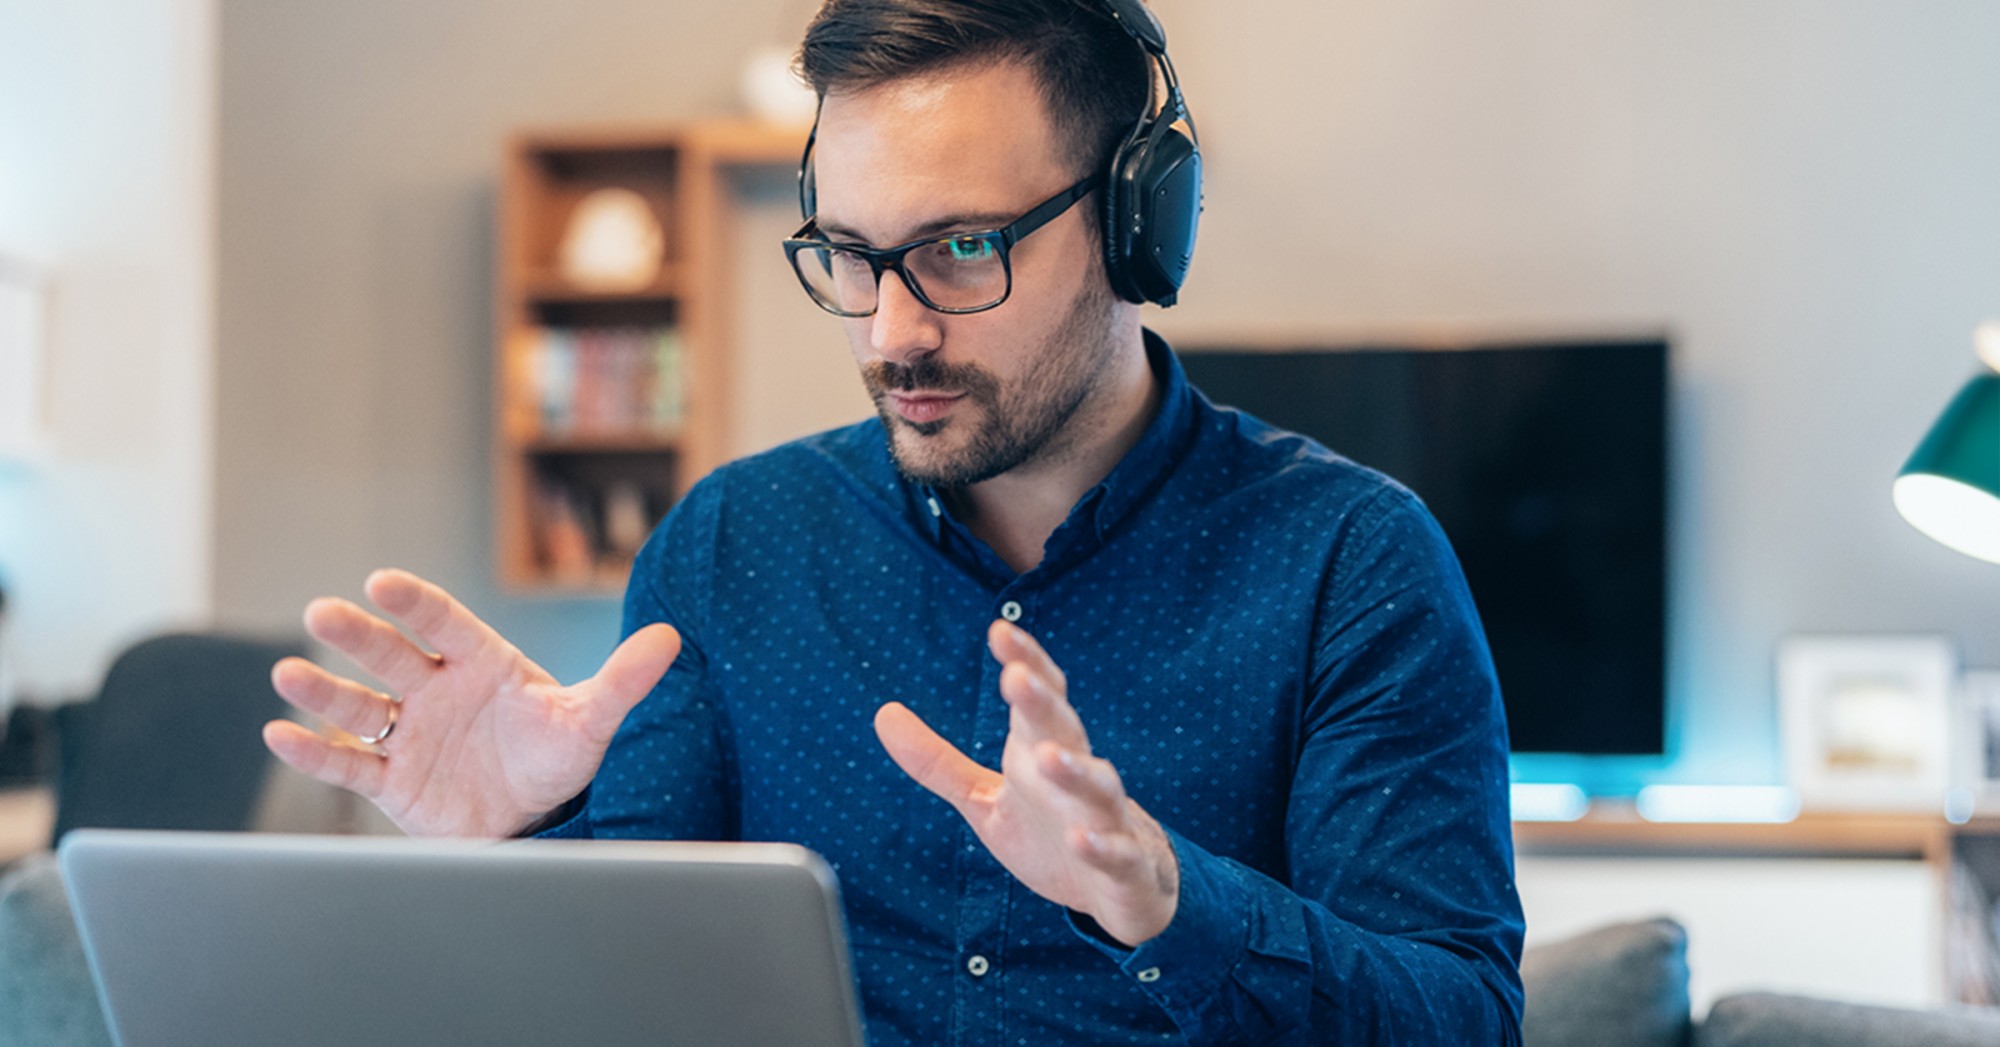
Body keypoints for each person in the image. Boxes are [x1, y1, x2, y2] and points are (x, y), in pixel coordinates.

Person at [263, 1, 1525, 1042]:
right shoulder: (728, 548)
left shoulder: (1352, 563)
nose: (890, 332)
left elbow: (1462, 1018)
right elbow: (648, 994)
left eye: (963, 248)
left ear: (1136, 227)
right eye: (851, 255)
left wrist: (1170, 902)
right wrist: (529, 841)